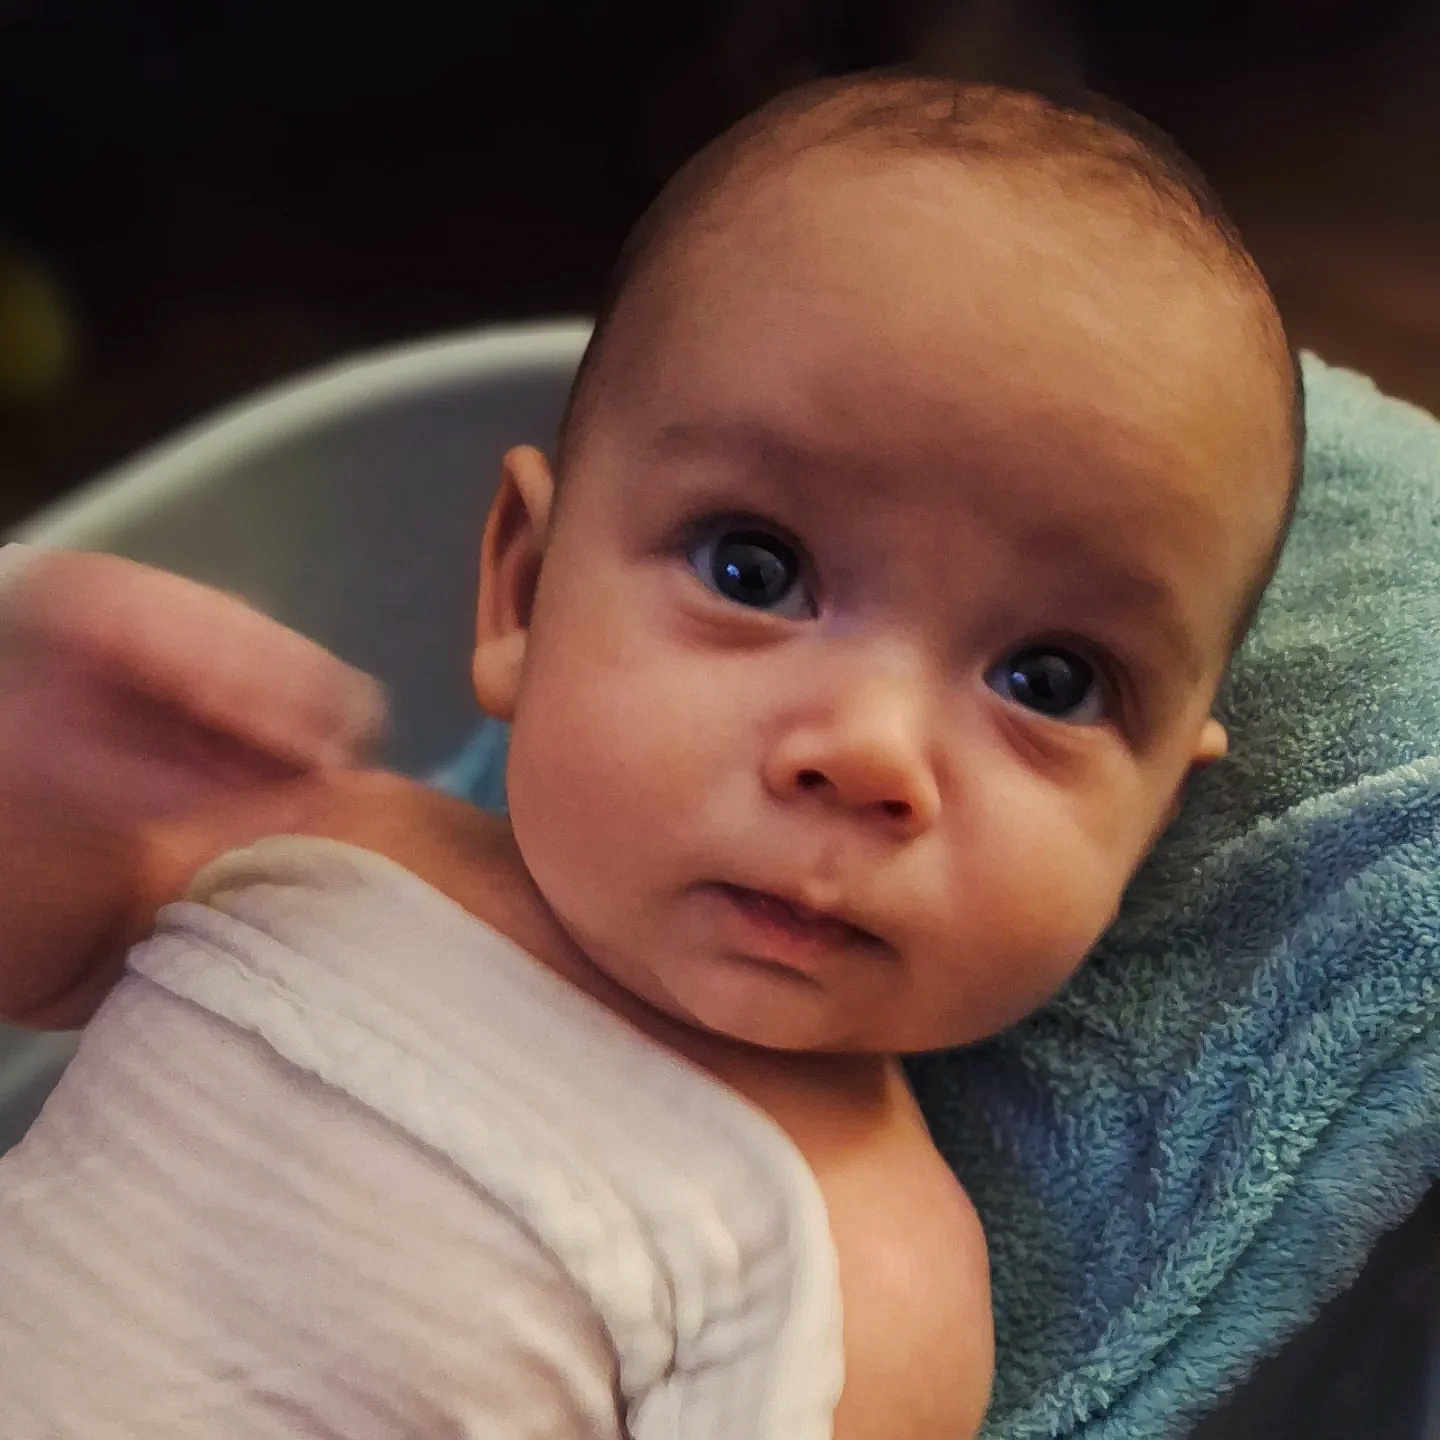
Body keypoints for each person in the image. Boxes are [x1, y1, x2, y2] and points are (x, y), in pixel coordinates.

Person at [0, 71, 1301, 1440]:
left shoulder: (863, 1275)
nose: (867, 755)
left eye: (1049, 681)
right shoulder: (312, 845)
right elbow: (38, 950)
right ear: (524, 591)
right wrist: (37, 744)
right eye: (756, 570)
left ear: (1154, 817)